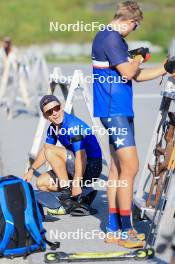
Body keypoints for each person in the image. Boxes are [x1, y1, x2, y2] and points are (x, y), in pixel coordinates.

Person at [92, 0, 172, 248]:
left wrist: (165, 68)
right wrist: (137, 58)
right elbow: (129, 71)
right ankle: (127, 230)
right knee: (131, 168)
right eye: (135, 27)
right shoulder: (111, 38)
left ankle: (113, 229)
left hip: (119, 110)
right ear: (128, 21)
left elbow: (135, 76)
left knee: (117, 171)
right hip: (114, 111)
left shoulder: (114, 39)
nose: (133, 31)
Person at [23, 95, 102, 215]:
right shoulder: (53, 128)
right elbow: (45, 151)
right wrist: (31, 170)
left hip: (91, 166)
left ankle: (68, 192)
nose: (55, 113)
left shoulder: (72, 126)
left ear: (62, 107)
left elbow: (82, 156)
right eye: (49, 112)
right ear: (46, 117)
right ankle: (84, 193)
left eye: (57, 108)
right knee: (41, 183)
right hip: (76, 164)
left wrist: (75, 183)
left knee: (50, 150)